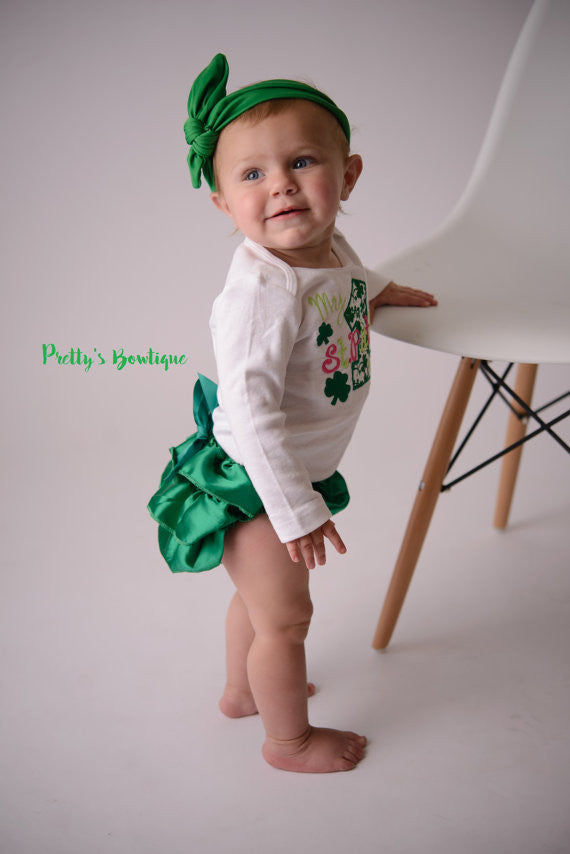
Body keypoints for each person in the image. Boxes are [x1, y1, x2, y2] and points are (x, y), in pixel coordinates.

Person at [148, 54, 437, 773]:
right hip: (256, 483)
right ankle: (289, 741)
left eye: (302, 161)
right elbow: (249, 416)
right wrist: (296, 510)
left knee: (255, 603)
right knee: (286, 617)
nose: (280, 184)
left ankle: (240, 692)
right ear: (222, 202)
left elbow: (347, 276)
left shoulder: (327, 247)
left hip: (288, 472)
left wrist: (380, 289)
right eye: (251, 175)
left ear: (347, 176)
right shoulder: (261, 295)